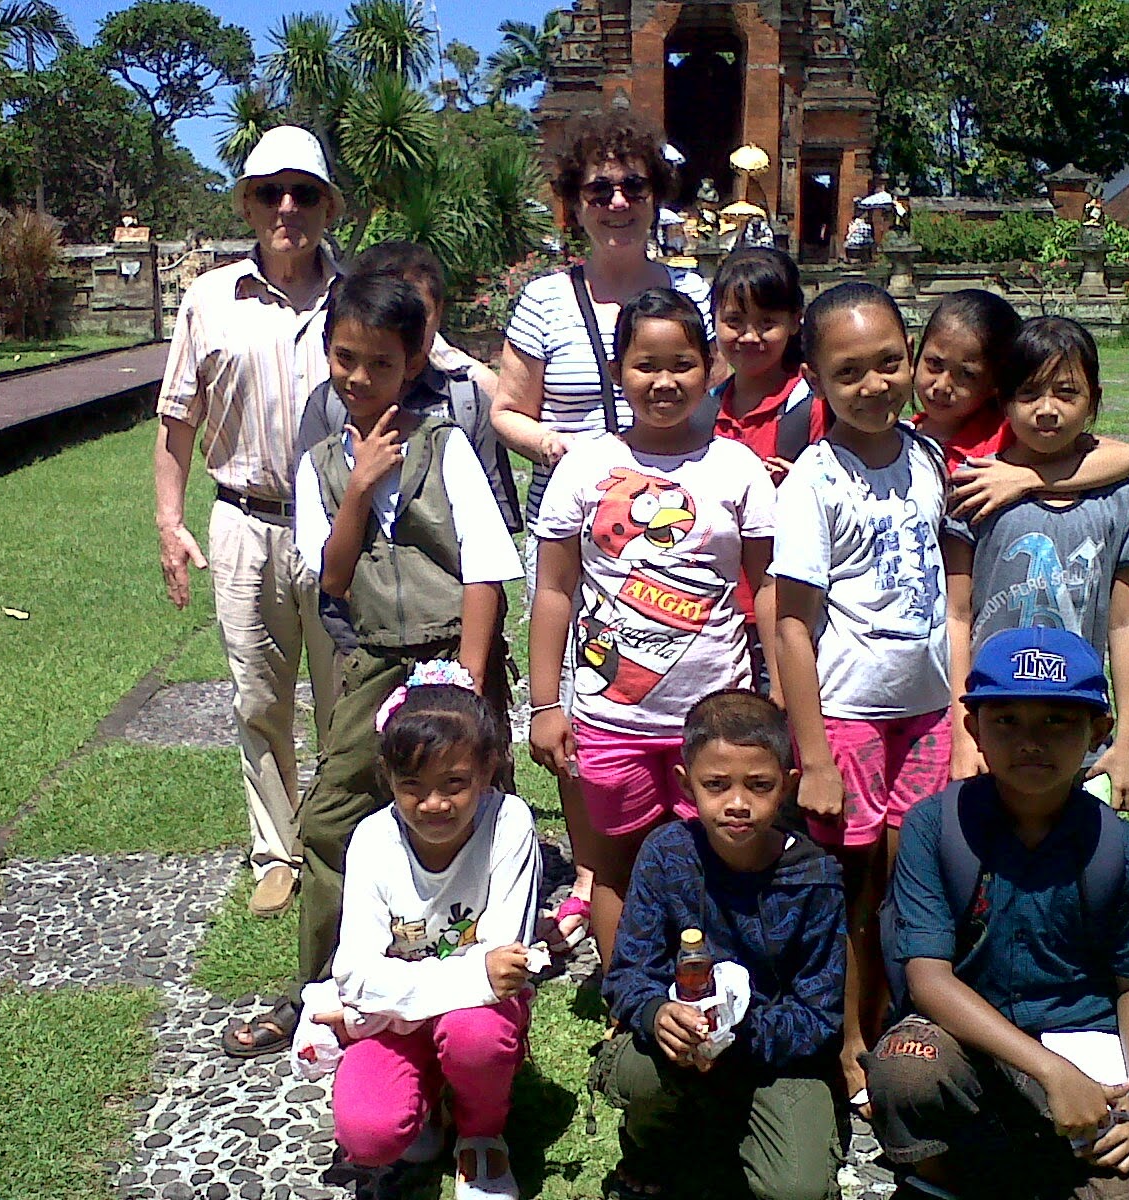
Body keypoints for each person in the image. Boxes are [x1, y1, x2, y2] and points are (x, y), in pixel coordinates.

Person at [493, 109, 715, 955]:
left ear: (655, 197)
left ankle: (675, 851)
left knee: (665, 671)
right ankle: (594, 870)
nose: (617, 201)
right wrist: (563, 446)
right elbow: (507, 410)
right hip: (576, 518)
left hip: (673, 520)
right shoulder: (546, 300)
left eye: (633, 186)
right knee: (595, 691)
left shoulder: (691, 295)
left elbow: (717, 401)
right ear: (573, 204)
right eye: (599, 189)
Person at [865, 627, 1129, 1200]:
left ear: (1097, 731)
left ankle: (1039, 1166)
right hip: (967, 1044)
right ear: (974, 727)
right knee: (907, 1066)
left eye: (1057, 720)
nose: (1032, 741)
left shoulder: (1119, 848)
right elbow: (927, 979)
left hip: (1084, 1054)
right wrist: (1048, 1073)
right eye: (1007, 720)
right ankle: (950, 1184)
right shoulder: (935, 827)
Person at [529, 288, 776, 968]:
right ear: (618, 372)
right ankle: (627, 999)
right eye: (645, 365)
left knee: (720, 861)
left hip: (717, 720)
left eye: (681, 364)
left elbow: (769, 594)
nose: (664, 381)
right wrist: (546, 704)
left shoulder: (737, 468)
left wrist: (778, 694)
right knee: (616, 864)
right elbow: (553, 589)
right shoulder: (583, 467)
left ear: (710, 367)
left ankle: (722, 990)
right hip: (611, 719)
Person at [291, 272, 522, 993]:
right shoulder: (320, 465)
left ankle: (482, 964)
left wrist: (472, 681)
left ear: (412, 364)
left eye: (381, 363)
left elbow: (484, 569)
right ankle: (329, 981)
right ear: (327, 352)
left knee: (474, 805)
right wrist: (359, 486)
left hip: (457, 653)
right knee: (331, 817)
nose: (359, 378)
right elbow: (331, 576)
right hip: (376, 663)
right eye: (345, 359)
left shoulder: (445, 445)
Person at [153, 125, 343, 924]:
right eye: (270, 192)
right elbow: (176, 422)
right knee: (259, 697)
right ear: (248, 204)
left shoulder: (359, 297)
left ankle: (342, 840)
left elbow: (443, 375)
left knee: (347, 697)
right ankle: (277, 850)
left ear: (328, 206)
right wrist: (170, 523)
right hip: (244, 523)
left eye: (302, 191)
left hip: (342, 526)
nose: (287, 207)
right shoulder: (208, 301)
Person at [771, 282, 950, 1114]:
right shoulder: (812, 481)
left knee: (914, 880)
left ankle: (905, 1028)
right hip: (846, 720)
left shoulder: (928, 458)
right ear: (814, 378)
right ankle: (848, 1043)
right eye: (851, 372)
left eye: (890, 362)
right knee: (850, 890)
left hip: (928, 715)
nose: (876, 385)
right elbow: (792, 628)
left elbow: (954, 591)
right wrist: (812, 757)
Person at [599, 690, 849, 1200]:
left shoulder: (815, 878)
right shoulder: (668, 853)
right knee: (638, 1072)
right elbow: (628, 973)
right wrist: (654, 1015)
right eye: (716, 785)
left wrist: (736, 1036)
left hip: (774, 1057)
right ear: (685, 784)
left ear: (787, 786)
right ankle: (653, 1144)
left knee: (796, 1190)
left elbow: (820, 1015)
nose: (737, 804)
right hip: (680, 1046)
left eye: (758, 786)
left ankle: (744, 1128)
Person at [328, 676, 540, 1200]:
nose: (434, 804)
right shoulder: (373, 839)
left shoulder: (508, 822)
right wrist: (474, 975)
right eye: (413, 787)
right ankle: (429, 1095)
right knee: (369, 1137)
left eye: (454, 783)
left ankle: (480, 1132)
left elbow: (503, 967)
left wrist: (387, 987)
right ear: (389, 779)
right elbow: (354, 973)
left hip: (459, 1016)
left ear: (489, 770)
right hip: (397, 1021)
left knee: (476, 1036)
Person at [942, 317, 1129, 808]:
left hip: (1073, 709)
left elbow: (1125, 623)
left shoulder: (1119, 500)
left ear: (1094, 401)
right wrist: (960, 730)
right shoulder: (975, 489)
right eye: (1029, 393)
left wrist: (1127, 742)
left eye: (1066, 392)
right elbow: (957, 615)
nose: (1047, 410)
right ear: (1002, 400)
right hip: (993, 711)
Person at [296, 240, 521, 533]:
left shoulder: (467, 401)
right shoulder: (330, 404)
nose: (405, 326)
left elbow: (494, 522)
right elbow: (315, 522)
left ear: (439, 313)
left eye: (420, 313)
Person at [909, 290, 1129, 524]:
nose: (942, 385)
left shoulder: (1008, 430)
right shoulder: (902, 437)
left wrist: (1028, 478)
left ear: (997, 383)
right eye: (934, 364)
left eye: (968, 374)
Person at [706, 247, 828, 688]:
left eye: (767, 322)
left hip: (788, 613)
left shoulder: (812, 406)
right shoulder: (703, 412)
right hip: (712, 614)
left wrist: (802, 485)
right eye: (734, 322)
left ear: (796, 320)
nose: (750, 336)